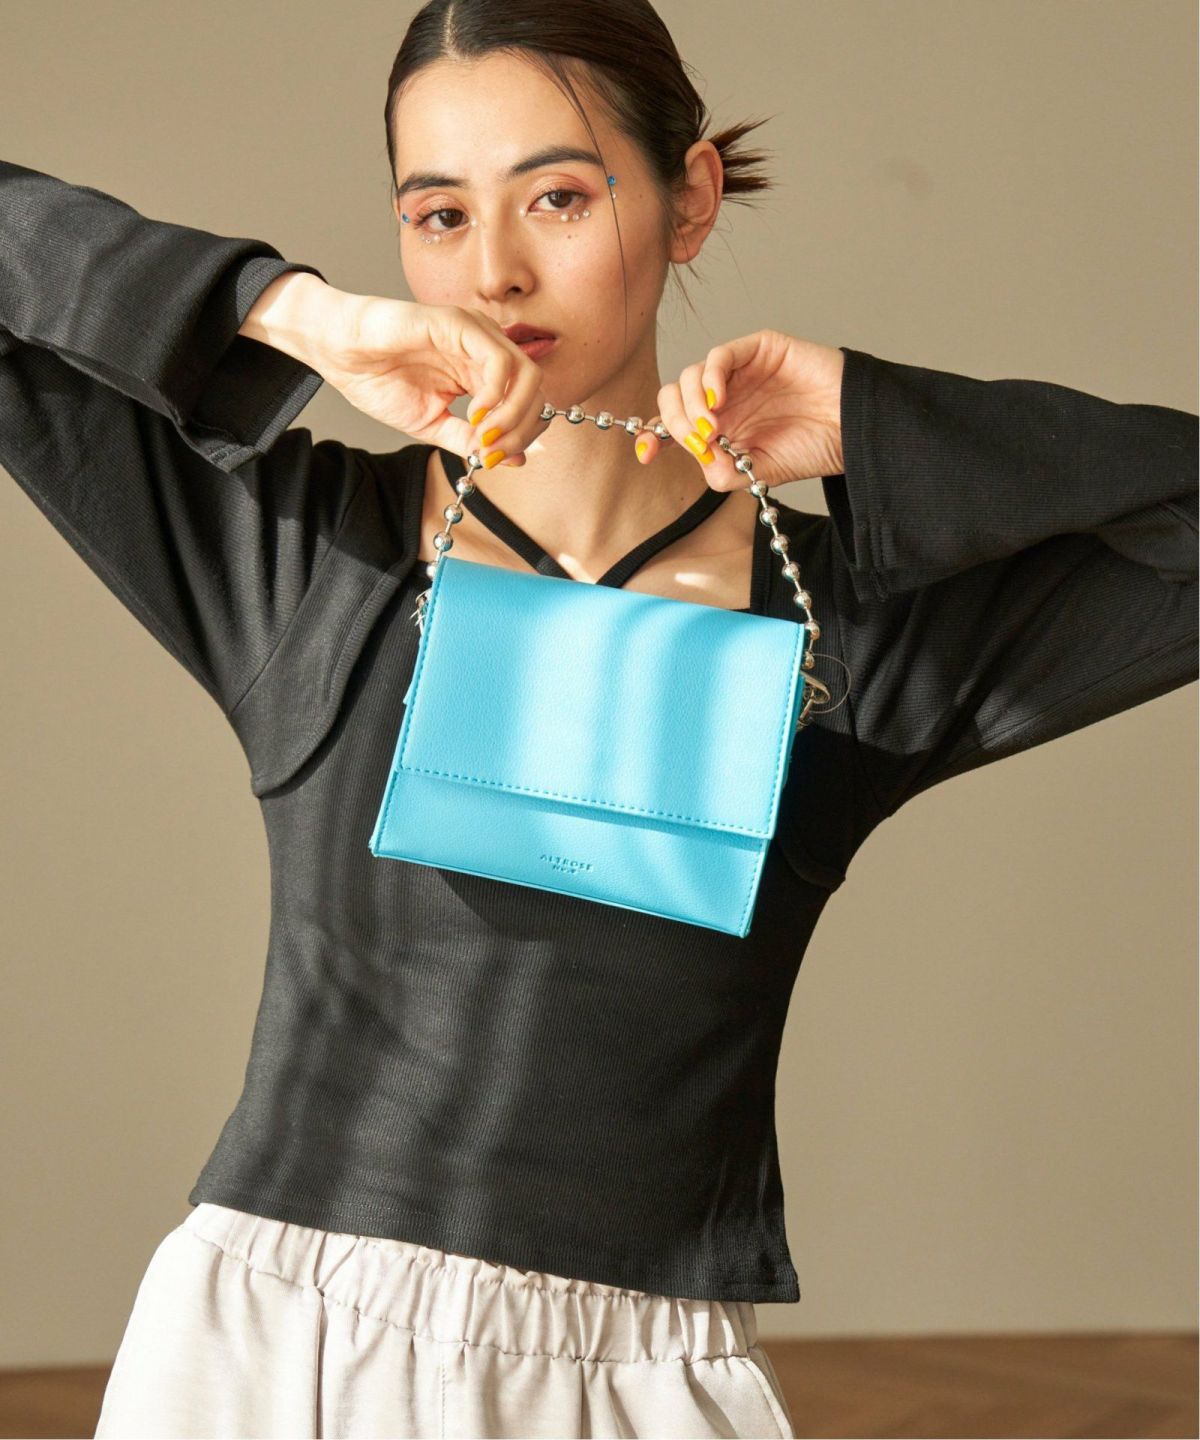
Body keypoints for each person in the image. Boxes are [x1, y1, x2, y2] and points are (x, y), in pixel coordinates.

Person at [1, 1, 1194, 1436]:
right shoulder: (310, 563)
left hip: (641, 1384)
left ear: (691, 199)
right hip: (272, 1360)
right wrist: (301, 313)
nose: (495, 270)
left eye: (558, 197)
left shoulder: (845, 633)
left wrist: (883, 421)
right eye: (439, 215)